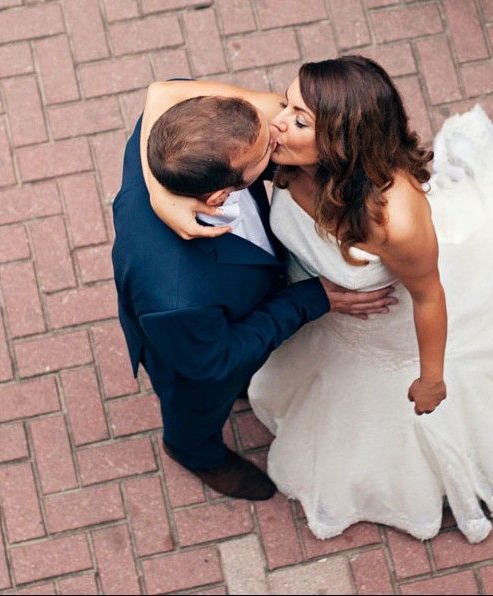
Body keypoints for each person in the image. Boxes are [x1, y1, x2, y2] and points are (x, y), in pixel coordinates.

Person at [145, 56, 493, 543]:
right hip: (323, 304)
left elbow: (429, 296)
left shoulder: (396, 220)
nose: (276, 123)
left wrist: (431, 380)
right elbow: (161, 96)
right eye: (287, 102)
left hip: (386, 324)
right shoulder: (283, 133)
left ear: (342, 142)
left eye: (299, 119)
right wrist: (163, 196)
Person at [110, 85, 396, 501]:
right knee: (199, 402)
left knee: (245, 366)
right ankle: (194, 453)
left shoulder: (168, 137)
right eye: (266, 150)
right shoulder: (177, 298)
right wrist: (314, 298)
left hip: (230, 302)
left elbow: (163, 92)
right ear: (219, 195)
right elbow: (214, 359)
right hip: (195, 355)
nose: (276, 133)